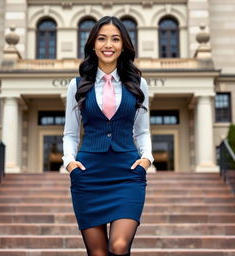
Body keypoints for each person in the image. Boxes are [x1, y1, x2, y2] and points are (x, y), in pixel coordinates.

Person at [62, 16, 154, 256]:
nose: (108, 44)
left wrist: (147, 160)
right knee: (99, 253)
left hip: (127, 173)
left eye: (115, 39)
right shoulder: (77, 85)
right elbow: (70, 133)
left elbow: (142, 130)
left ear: (123, 45)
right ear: (93, 44)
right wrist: (69, 163)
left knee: (119, 246)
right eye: (102, 38)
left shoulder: (138, 83)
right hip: (89, 174)